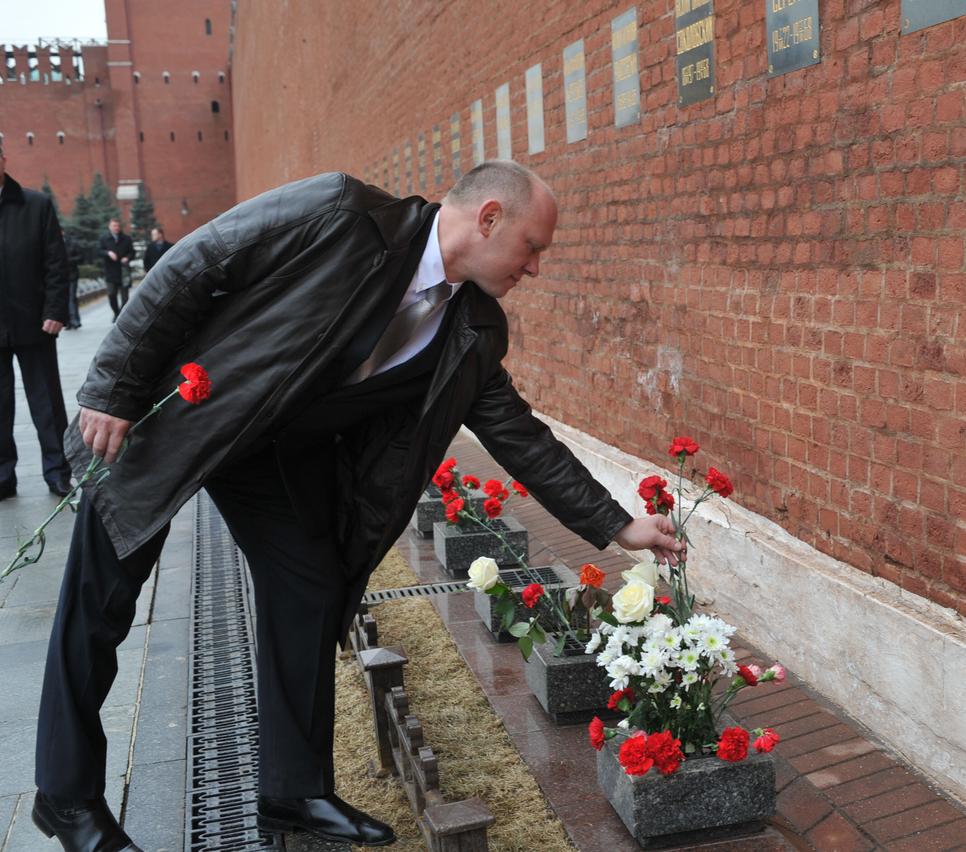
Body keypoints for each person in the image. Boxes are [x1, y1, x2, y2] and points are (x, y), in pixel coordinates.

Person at [33, 162, 682, 850]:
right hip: (185, 415)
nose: (536, 268)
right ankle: (66, 798)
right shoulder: (343, 214)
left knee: (307, 587)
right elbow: (197, 261)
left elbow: (518, 433)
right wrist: (113, 384)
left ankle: (294, 790)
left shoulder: (474, 328)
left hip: (274, 457)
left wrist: (617, 524)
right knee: (100, 601)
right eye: (533, 247)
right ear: (489, 219)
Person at [0, 146, 73, 500]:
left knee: (46, 403)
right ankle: (2, 477)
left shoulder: (36, 205)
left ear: (3, 159)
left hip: (35, 323)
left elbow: (56, 263)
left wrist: (56, 310)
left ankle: (57, 472)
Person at [98, 218, 133, 320]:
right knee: (111, 294)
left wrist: (127, 258)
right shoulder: (104, 238)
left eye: (118, 226)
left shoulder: (126, 238)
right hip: (110, 271)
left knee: (125, 297)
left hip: (123, 271)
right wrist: (108, 253)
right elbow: (98, 251)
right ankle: (116, 312)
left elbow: (132, 252)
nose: (116, 228)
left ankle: (122, 315)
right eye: (114, 226)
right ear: (109, 227)